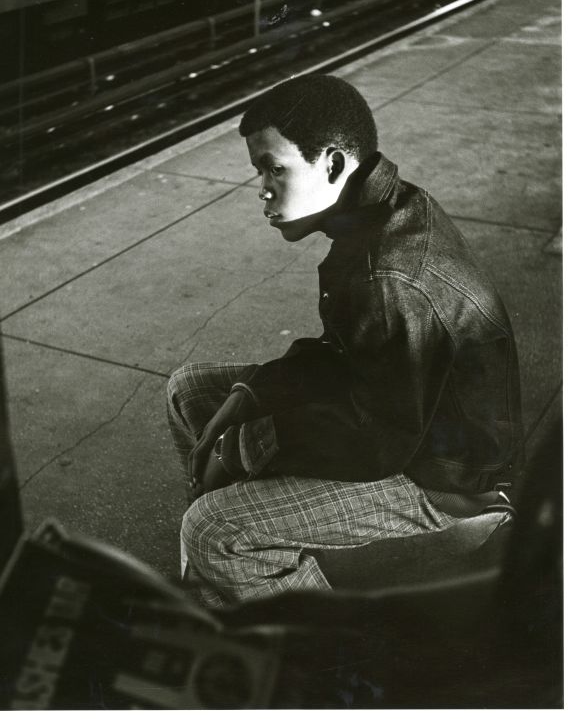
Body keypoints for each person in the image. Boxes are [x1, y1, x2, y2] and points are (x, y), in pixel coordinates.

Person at [166, 74, 523, 608]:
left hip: (441, 480)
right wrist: (247, 398)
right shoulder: (378, 211)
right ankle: (231, 578)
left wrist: (246, 445)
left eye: (274, 168)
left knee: (214, 529)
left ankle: (325, 655)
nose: (261, 187)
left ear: (332, 163)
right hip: (398, 420)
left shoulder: (389, 275)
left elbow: (379, 441)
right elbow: (346, 356)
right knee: (190, 390)